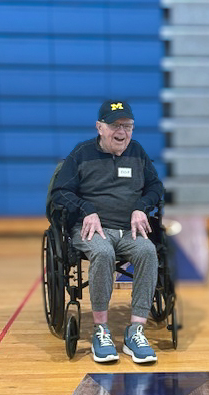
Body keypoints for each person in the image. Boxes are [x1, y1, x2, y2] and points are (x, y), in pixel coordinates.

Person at [51, 99, 164, 364]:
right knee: (101, 252)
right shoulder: (81, 154)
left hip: (129, 230)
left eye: (128, 126)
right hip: (92, 228)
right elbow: (60, 192)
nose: (122, 132)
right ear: (100, 127)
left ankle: (136, 330)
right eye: (115, 125)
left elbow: (156, 188)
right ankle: (100, 329)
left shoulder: (137, 152)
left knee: (148, 251)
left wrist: (141, 207)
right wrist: (86, 208)